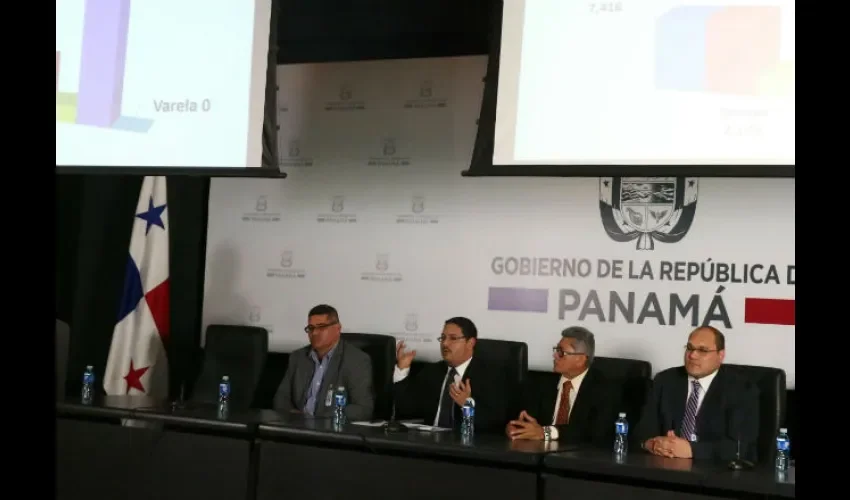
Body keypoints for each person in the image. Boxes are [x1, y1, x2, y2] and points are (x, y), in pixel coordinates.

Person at [634, 326, 760, 462]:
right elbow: (641, 432)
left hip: (714, 470)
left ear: (721, 355)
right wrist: (652, 444)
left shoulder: (741, 389)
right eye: (689, 348)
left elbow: (740, 447)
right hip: (665, 464)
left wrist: (692, 450)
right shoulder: (665, 380)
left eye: (702, 350)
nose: (692, 355)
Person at [506, 326, 619, 447]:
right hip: (540, 450)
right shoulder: (542, 383)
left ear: (580, 359)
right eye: (556, 350)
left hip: (580, 454)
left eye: (561, 352)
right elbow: (526, 418)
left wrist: (546, 433)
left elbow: (593, 432)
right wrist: (516, 427)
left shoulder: (604, 389)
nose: (555, 355)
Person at [393, 317, 507, 432]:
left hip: (465, 441)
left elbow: (496, 423)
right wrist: (402, 369)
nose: (445, 343)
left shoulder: (490, 376)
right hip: (430, 439)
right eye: (443, 338)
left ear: (470, 343)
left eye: (453, 338)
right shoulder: (432, 371)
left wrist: (467, 405)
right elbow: (405, 408)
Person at [273, 304, 374, 420]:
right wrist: (295, 417)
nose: (315, 333)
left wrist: (319, 420)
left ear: (337, 329)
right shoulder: (298, 357)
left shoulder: (356, 360)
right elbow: (281, 398)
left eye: (321, 327)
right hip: (298, 425)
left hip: (330, 427)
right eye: (311, 328)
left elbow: (363, 409)